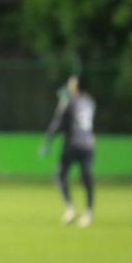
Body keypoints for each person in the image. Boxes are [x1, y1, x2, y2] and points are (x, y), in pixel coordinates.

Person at [40, 74, 96, 227]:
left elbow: (59, 123)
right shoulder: (90, 101)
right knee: (87, 177)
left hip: (73, 143)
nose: (69, 87)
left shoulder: (69, 101)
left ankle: (70, 208)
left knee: (60, 175)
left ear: (76, 86)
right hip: (89, 144)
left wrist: (48, 141)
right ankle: (88, 213)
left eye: (71, 84)